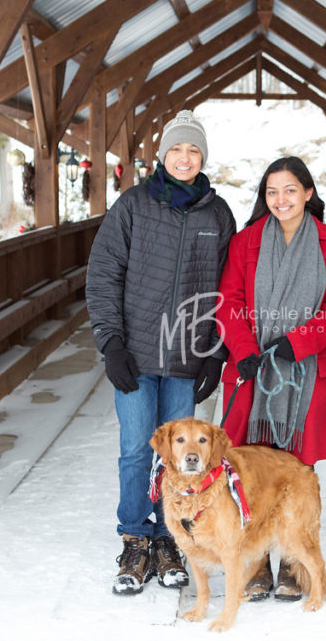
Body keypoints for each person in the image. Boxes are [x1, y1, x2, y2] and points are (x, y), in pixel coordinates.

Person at [86, 110, 235, 596]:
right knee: (135, 451)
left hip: (187, 360)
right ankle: (135, 538)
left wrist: (216, 352)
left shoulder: (218, 214)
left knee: (183, 460)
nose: (185, 158)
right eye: (177, 149)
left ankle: (169, 538)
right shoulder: (132, 206)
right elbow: (103, 275)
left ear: (202, 158)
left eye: (193, 151)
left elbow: (226, 289)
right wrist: (110, 343)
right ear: (163, 155)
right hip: (135, 354)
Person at [215, 156, 326, 602]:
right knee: (247, 468)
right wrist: (243, 348)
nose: (281, 200)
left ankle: (295, 562)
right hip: (253, 370)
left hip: (304, 371)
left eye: (290, 190)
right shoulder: (246, 241)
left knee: (296, 472)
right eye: (272, 192)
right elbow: (229, 301)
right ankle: (253, 563)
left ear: (308, 193)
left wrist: (300, 341)